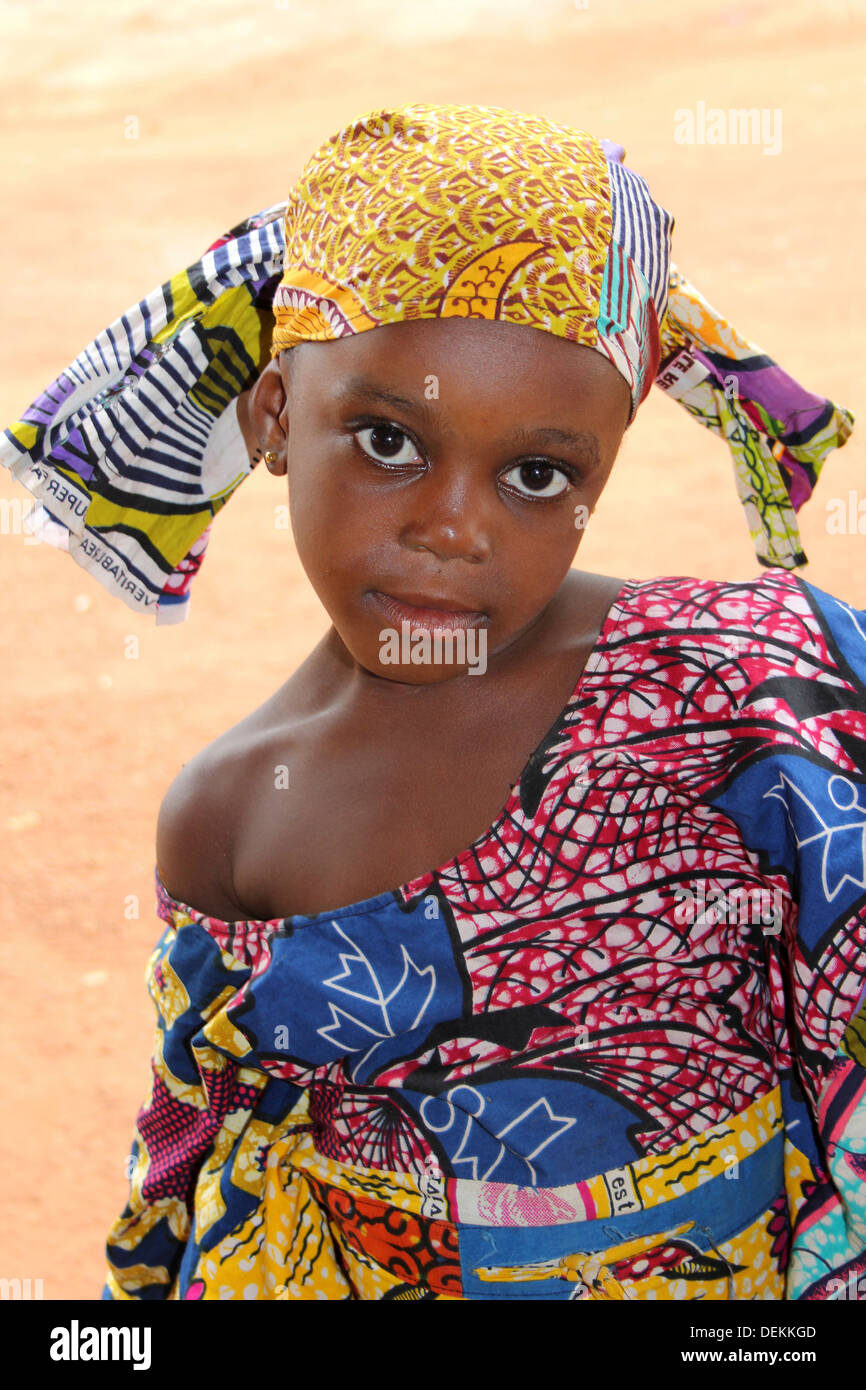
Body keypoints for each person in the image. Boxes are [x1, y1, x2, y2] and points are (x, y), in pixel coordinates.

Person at [3, 102, 865, 1302]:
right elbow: (211, 1167)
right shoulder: (232, 815)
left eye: (534, 474)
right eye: (388, 439)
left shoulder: (751, 695)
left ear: (600, 474)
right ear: (273, 422)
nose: (450, 528)